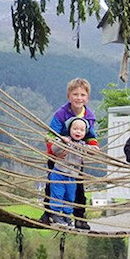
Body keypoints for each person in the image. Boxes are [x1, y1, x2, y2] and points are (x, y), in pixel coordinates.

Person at [39, 78, 98, 229]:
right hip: (58, 154)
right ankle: (49, 213)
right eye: (75, 94)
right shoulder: (61, 113)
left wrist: (92, 146)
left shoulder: (88, 116)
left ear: (87, 98)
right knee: (52, 184)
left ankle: (79, 216)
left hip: (76, 157)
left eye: (82, 95)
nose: (79, 98)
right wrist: (55, 149)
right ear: (69, 96)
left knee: (78, 186)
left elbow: (90, 135)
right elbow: (50, 134)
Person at [47, 116, 89, 226]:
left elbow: (89, 153)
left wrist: (93, 149)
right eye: (75, 129)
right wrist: (62, 142)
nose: (78, 132)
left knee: (70, 196)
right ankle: (55, 214)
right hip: (59, 173)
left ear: (85, 133)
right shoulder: (64, 140)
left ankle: (67, 216)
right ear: (69, 129)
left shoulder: (82, 145)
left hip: (72, 176)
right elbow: (54, 150)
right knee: (58, 194)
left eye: (81, 130)